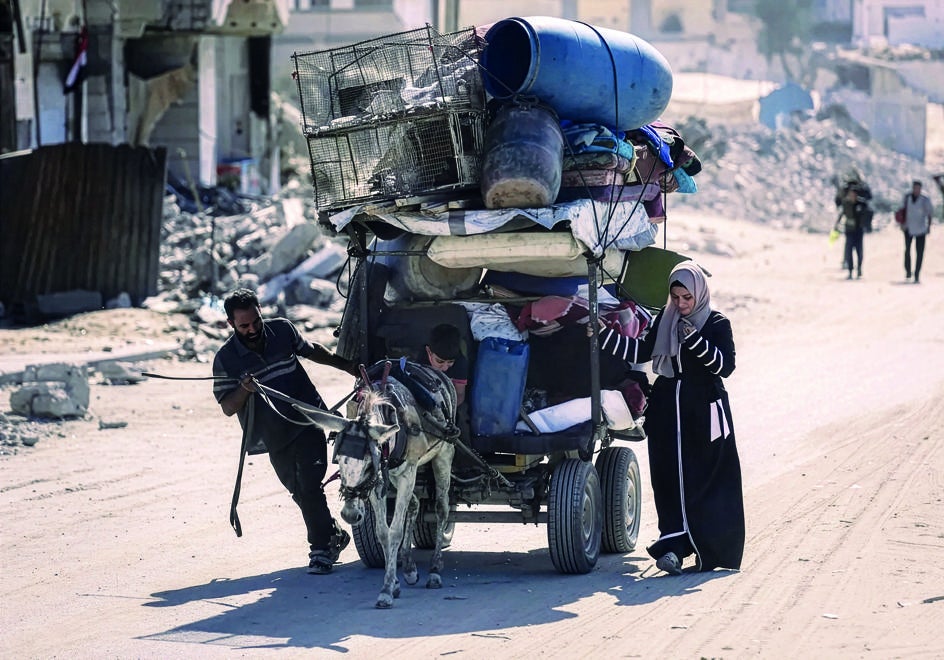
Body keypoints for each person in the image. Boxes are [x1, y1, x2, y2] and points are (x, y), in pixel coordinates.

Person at [602, 261, 744, 574]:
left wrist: (694, 340)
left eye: (687, 299)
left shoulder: (717, 323)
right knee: (667, 478)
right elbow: (640, 352)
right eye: (676, 297)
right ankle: (673, 548)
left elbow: (725, 367)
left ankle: (709, 546)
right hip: (667, 407)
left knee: (703, 477)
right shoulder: (662, 320)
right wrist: (601, 335)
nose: (680, 304)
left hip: (704, 409)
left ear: (699, 295)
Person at [212, 288, 354, 575]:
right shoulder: (226, 359)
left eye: (255, 321)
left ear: (261, 311)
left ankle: (320, 551)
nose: (251, 329)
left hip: (309, 420)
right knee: (299, 492)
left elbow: (312, 351)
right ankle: (333, 534)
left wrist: (349, 366)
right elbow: (228, 407)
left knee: (310, 486)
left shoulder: (282, 330)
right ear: (231, 324)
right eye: (243, 325)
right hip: (274, 435)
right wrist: (244, 389)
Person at [834, 174, 873, 279]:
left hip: (859, 230)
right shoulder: (846, 203)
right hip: (849, 230)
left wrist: (866, 224)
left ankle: (859, 268)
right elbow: (841, 213)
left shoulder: (862, 204)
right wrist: (837, 226)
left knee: (859, 251)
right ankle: (850, 270)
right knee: (849, 250)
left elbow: (869, 213)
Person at [419, 323, 469, 406]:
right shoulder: (421, 359)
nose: (445, 368)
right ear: (429, 352)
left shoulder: (460, 363)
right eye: (440, 361)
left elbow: (460, 394)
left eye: (450, 362)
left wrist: (448, 408)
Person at [900, 180, 934, 283]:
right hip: (908, 227)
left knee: (919, 252)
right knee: (907, 250)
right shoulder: (907, 198)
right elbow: (902, 211)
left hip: (921, 229)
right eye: (915, 188)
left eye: (918, 188)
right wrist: (902, 224)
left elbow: (930, 213)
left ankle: (917, 274)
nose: (916, 190)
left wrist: (929, 226)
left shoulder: (925, 200)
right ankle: (908, 271)